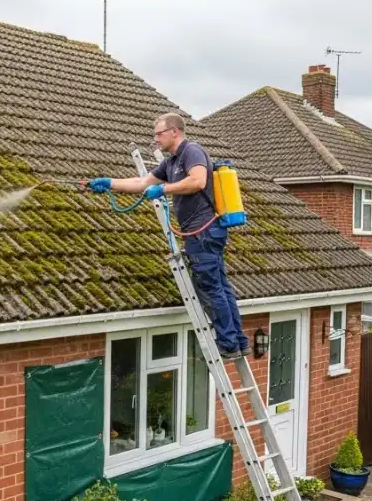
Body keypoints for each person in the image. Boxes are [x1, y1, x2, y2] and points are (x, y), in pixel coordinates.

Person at [85, 112, 250, 359]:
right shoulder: (170, 162)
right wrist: (108, 183)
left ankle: (228, 344)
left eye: (159, 134)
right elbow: (142, 183)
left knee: (210, 288)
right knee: (220, 287)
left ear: (175, 131)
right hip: (201, 233)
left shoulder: (192, 151)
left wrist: (164, 188)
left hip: (204, 231)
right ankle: (239, 342)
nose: (156, 139)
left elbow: (197, 181)